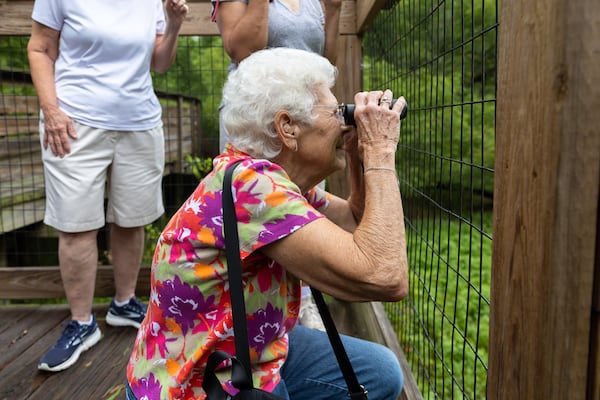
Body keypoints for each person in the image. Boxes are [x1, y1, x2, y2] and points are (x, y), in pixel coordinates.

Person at [126, 47, 408, 400]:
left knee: (378, 372)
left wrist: (357, 153)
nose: (343, 120)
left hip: (254, 341)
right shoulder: (252, 187)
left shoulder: (279, 182)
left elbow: (355, 222)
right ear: (287, 127)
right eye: (335, 112)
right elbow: (385, 275)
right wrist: (382, 150)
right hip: (197, 380)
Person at [26, 0, 189, 372]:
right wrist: (51, 110)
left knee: (133, 218)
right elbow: (39, 47)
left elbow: (159, 62)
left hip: (140, 122)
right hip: (73, 122)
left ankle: (124, 303)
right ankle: (82, 324)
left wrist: (175, 24)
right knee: (76, 224)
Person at [211, 0, 342, 329]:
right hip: (257, 122)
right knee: (257, 219)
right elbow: (242, 49)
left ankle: (304, 303)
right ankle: (242, 308)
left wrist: (336, 10)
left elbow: (328, 62)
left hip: (308, 124)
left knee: (303, 211)